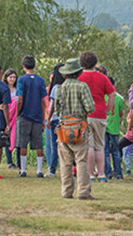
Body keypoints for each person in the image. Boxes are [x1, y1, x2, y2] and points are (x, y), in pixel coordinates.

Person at [54, 58, 96, 199]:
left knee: (65, 163)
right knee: (81, 161)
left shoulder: (59, 88)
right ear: (78, 72)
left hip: (63, 129)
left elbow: (57, 109)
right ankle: (83, 192)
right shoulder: (82, 87)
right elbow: (90, 108)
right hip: (80, 129)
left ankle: (66, 192)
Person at [77, 51, 115, 181]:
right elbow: (112, 94)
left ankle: (90, 174)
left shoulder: (79, 77)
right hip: (100, 114)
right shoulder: (102, 78)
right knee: (100, 146)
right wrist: (107, 108)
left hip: (85, 114)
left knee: (89, 145)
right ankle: (102, 174)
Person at [15, 55, 48, 178]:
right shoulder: (40, 80)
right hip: (37, 115)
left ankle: (23, 169)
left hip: (25, 115)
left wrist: (18, 113)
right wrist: (44, 115)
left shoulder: (22, 80)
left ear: (24, 66)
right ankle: (39, 170)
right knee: (39, 144)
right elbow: (43, 100)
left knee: (23, 143)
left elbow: (20, 99)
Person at [44, 64, 65, 178]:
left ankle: (52, 169)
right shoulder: (68, 86)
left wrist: (48, 118)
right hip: (67, 118)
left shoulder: (56, 88)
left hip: (55, 119)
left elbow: (52, 106)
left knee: (54, 145)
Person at [104, 77, 125, 180]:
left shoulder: (103, 96)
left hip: (104, 126)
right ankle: (118, 173)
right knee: (116, 151)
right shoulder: (118, 98)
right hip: (115, 128)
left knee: (105, 150)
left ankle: (107, 173)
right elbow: (121, 114)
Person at [3, 69, 19, 169]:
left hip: (16, 117)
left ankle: (18, 161)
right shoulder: (4, 90)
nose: (12, 79)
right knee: (7, 139)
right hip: (7, 117)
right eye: (10, 77)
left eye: (14, 77)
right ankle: (9, 161)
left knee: (17, 139)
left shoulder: (17, 90)